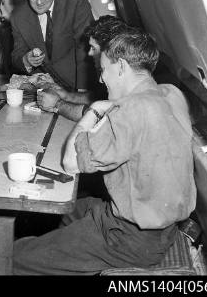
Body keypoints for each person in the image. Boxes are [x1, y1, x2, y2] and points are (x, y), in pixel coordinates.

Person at [13, 29, 196, 275]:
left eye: (103, 71)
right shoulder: (172, 94)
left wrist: (95, 110)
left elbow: (70, 163)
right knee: (72, 211)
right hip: (164, 230)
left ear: (121, 67)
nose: (101, 80)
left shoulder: (130, 111)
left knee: (15, 257)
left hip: (128, 240)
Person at [10, 0, 94, 92]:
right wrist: (26, 60)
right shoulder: (18, 16)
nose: (39, 1)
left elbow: (85, 46)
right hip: (46, 88)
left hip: (79, 82)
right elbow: (17, 53)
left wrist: (83, 91)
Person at [36, 15, 128, 121]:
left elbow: (100, 116)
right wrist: (66, 95)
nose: (89, 53)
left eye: (93, 48)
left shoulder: (123, 76)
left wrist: (58, 104)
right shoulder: (116, 70)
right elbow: (98, 98)